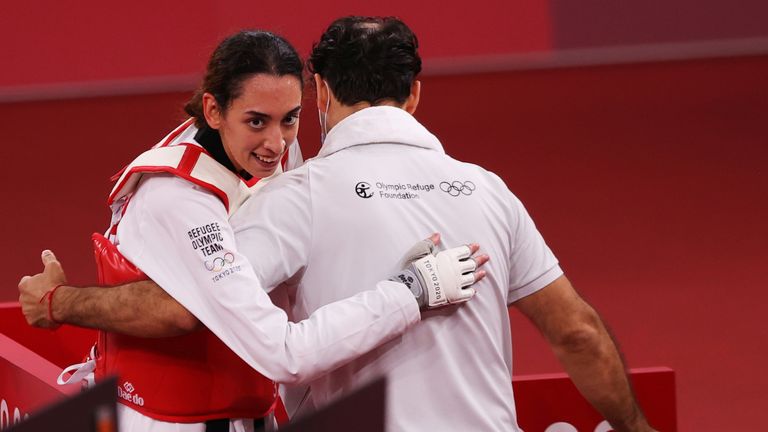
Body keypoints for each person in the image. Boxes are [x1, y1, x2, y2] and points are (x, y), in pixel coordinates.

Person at [17, 29, 487, 432]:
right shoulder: (180, 200)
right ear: (213, 110)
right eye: (256, 122)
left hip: (244, 408)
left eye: (290, 119)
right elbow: (234, 332)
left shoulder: (267, 150)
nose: (277, 143)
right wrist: (410, 290)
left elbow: (279, 268)